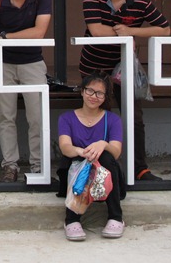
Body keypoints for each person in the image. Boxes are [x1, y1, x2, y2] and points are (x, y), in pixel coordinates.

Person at [79, 0, 171, 181]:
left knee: (135, 117)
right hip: (94, 68)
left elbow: (165, 29)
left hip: (124, 69)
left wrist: (131, 31)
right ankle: (102, 169)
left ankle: (140, 168)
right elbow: (96, 30)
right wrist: (123, 35)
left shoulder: (139, 2)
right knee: (100, 116)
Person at [0, 0, 52, 182]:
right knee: (6, 117)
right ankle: (10, 167)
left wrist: (6, 36)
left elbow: (39, 32)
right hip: (3, 62)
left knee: (37, 117)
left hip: (32, 61)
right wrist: (1, 39)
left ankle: (39, 167)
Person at [58, 72, 125, 241]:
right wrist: (80, 151)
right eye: (90, 91)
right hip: (76, 168)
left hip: (103, 175)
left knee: (107, 157)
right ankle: (72, 220)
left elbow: (116, 152)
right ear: (82, 91)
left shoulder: (113, 119)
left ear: (105, 97)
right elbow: (65, 147)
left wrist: (103, 144)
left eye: (100, 93)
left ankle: (116, 217)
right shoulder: (66, 118)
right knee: (76, 160)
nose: (94, 96)